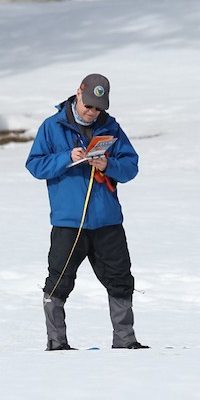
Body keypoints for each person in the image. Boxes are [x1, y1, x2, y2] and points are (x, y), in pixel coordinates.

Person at [25, 73, 148, 351]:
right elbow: (35, 165)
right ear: (78, 94)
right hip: (69, 221)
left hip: (108, 220)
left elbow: (131, 167)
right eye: (88, 105)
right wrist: (66, 157)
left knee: (120, 280)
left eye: (98, 108)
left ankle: (126, 341)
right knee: (59, 281)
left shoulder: (112, 127)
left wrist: (107, 165)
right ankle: (57, 343)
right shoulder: (51, 127)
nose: (92, 112)